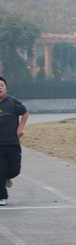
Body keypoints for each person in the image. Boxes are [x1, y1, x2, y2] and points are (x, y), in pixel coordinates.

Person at [0, 76, 29, 206]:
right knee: (0, 170)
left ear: (5, 88)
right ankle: (2, 196)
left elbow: (25, 113)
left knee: (14, 170)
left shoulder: (12, 102)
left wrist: (20, 127)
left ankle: (7, 177)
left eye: (1, 85)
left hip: (12, 143)